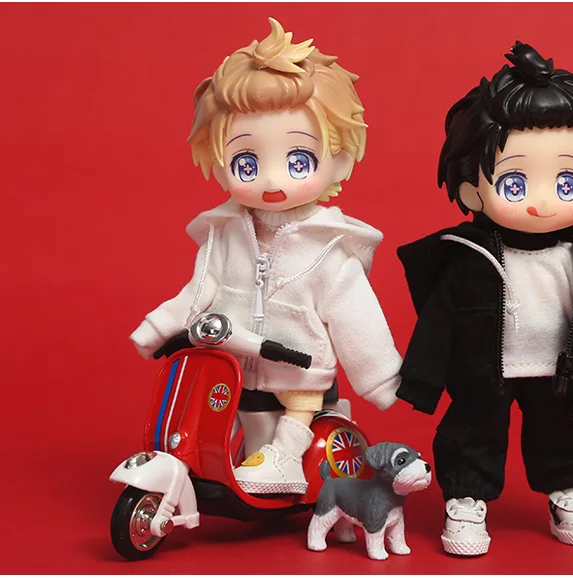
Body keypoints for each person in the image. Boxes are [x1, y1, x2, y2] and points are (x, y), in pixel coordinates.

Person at [131, 18, 401, 495]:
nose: (272, 180)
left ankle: (287, 457)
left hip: (299, 363)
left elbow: (356, 315)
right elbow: (199, 292)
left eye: (298, 161)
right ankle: (238, 458)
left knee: (299, 398)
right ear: (219, 166)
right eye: (247, 163)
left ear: (339, 160)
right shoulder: (224, 236)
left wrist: (381, 377)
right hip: (235, 360)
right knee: (233, 409)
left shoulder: (330, 248)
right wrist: (158, 328)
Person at [396, 42, 573, 555]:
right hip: (484, 370)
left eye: (566, 182)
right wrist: (421, 379)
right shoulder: (468, 256)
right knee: (472, 431)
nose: (541, 201)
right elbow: (438, 320)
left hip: (561, 370)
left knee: (565, 433)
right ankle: (465, 496)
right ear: (470, 190)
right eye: (514, 182)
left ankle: (567, 489)